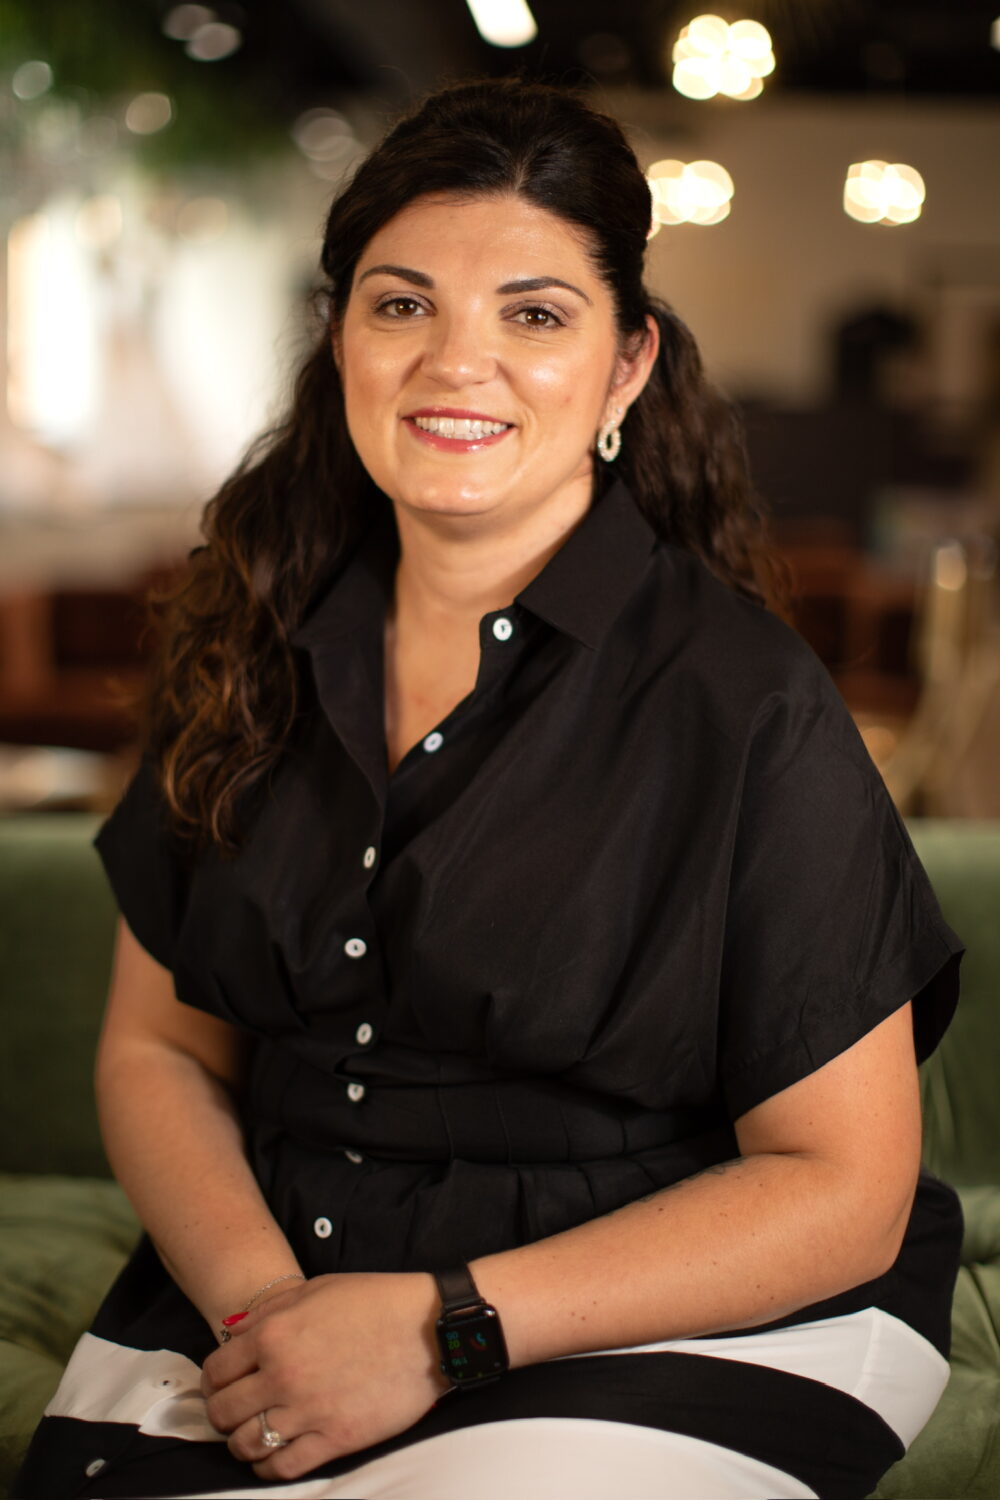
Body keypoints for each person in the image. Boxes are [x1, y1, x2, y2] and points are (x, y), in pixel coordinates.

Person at [17, 79, 963, 1500]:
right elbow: (160, 1053)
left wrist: (436, 1332)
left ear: (626, 368)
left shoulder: (743, 702)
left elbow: (843, 1188)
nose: (458, 363)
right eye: (402, 307)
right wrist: (272, 1321)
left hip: (652, 1307)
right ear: (339, 338)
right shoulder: (243, 641)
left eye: (534, 314)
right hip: (274, 1284)